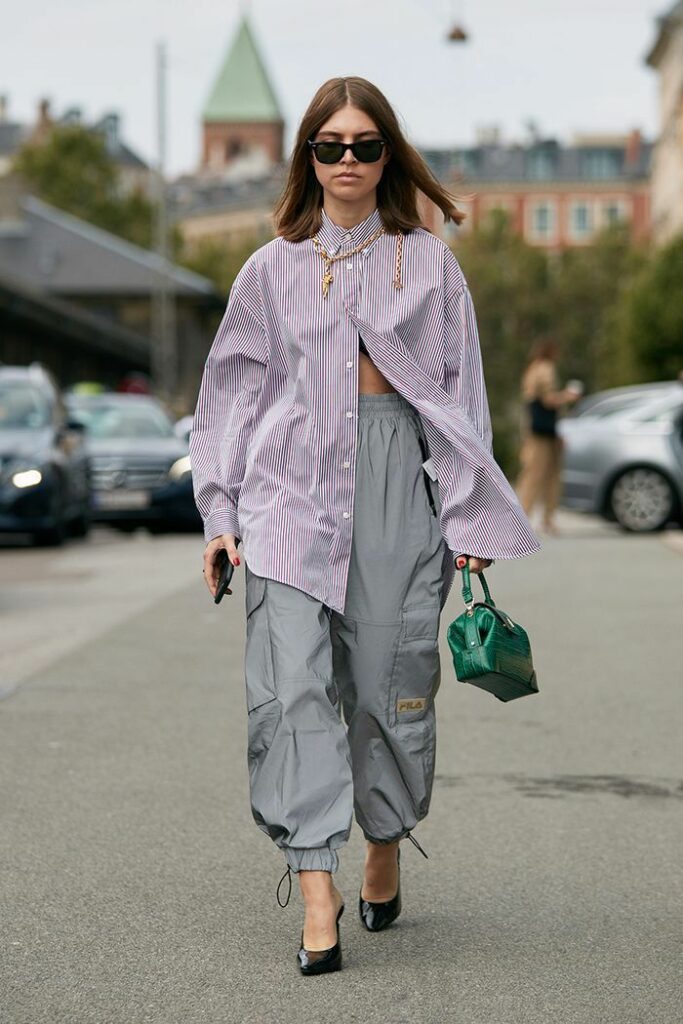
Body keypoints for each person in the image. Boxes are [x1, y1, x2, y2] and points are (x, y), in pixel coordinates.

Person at [189, 76, 540, 976]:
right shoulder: (268, 271)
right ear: (308, 157)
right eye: (330, 145)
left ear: (387, 156)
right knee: (292, 694)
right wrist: (220, 514)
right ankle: (317, 885)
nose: (347, 160)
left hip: (396, 494)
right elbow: (229, 398)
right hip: (286, 496)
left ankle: (383, 838)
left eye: (365, 144)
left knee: (390, 689)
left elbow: (460, 398)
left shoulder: (429, 265)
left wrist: (467, 514)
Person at [515, 338, 581, 535]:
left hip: (539, 430)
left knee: (537, 474)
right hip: (542, 433)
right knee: (539, 475)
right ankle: (533, 518)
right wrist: (568, 396)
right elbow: (548, 400)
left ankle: (532, 517)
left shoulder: (532, 368)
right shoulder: (545, 369)